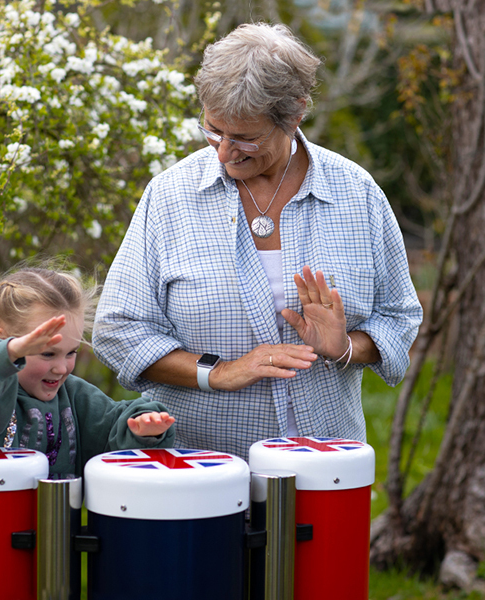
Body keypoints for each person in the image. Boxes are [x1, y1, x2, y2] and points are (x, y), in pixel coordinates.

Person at [92, 22, 422, 462]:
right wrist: (220, 372)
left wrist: (344, 348)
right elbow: (118, 330)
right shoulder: (171, 196)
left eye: (246, 137)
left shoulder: (356, 194)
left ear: (296, 113)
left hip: (325, 466)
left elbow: (399, 317)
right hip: (198, 465)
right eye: (213, 130)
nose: (225, 152)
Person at [0, 265, 175, 600]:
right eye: (48, 353)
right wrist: (5, 356)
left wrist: (142, 428)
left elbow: (110, 428)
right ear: (3, 343)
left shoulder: (71, 396)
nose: (62, 367)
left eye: (71, 352)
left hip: (51, 559)